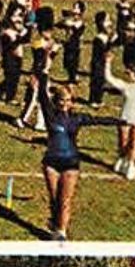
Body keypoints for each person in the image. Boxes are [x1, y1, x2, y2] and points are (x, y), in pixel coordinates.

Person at [38, 83, 118, 240]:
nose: (65, 103)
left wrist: (121, 121)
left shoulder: (77, 119)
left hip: (71, 163)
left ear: (72, 102)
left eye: (68, 100)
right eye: (62, 100)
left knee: (65, 200)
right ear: (56, 100)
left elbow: (98, 120)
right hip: (51, 162)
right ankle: (55, 224)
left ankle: (61, 233)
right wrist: (43, 71)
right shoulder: (50, 115)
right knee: (55, 199)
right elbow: (42, 95)